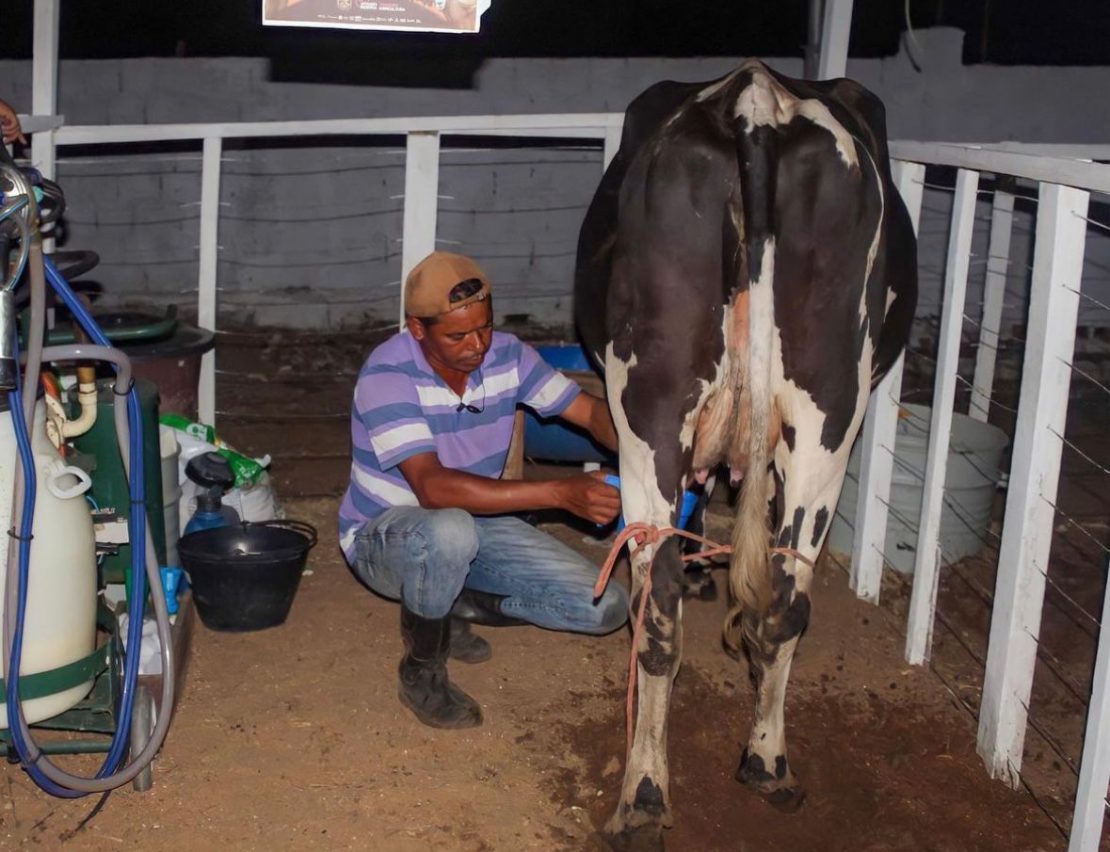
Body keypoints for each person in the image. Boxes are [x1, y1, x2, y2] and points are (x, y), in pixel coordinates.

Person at [338, 251, 629, 730]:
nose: (477, 345)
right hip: (382, 538)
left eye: (485, 327)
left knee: (605, 609)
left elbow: (590, 412)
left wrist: (650, 450)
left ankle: (450, 598)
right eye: (457, 335)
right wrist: (559, 493)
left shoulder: (508, 356)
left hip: (474, 524)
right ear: (417, 329)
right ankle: (422, 671)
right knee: (448, 531)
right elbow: (432, 488)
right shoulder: (387, 373)